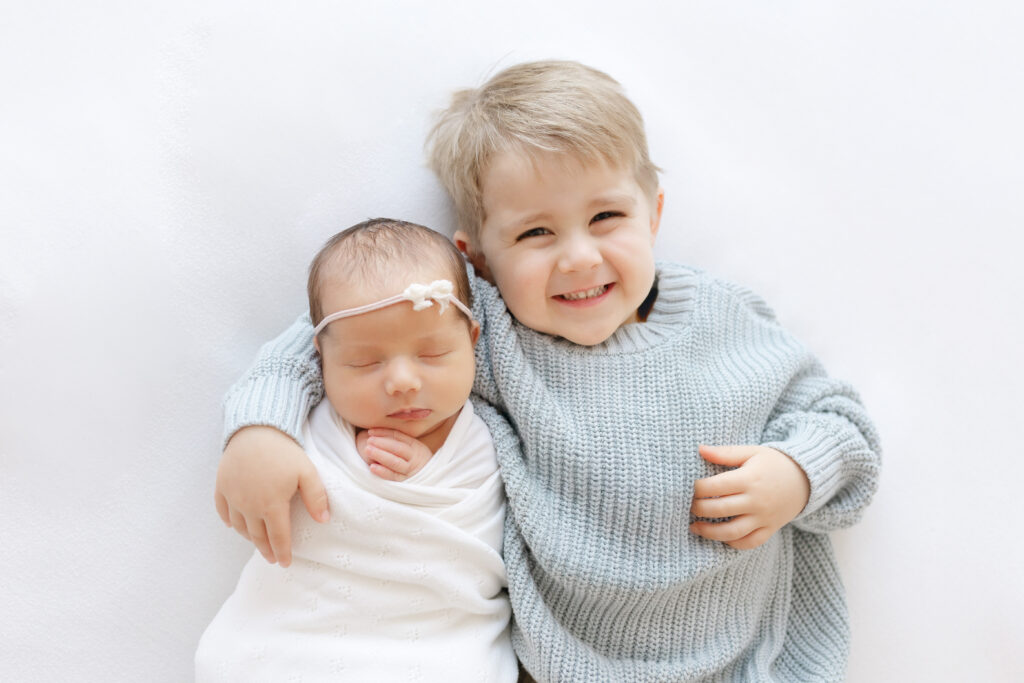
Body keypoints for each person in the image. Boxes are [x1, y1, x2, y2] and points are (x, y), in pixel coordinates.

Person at [215, 61, 882, 681]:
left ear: (652, 214)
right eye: (536, 233)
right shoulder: (485, 337)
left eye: (606, 217)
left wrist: (797, 475)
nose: (579, 258)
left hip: (751, 654)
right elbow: (331, 333)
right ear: (477, 259)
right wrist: (261, 427)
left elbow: (840, 420)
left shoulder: (720, 318)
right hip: (565, 663)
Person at [197, 219, 517, 682]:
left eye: (432, 355)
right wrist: (257, 437)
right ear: (321, 358)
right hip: (295, 638)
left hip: (439, 644)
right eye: (365, 362)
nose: (403, 382)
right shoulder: (306, 422)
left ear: (471, 340)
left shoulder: (489, 440)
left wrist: (429, 472)